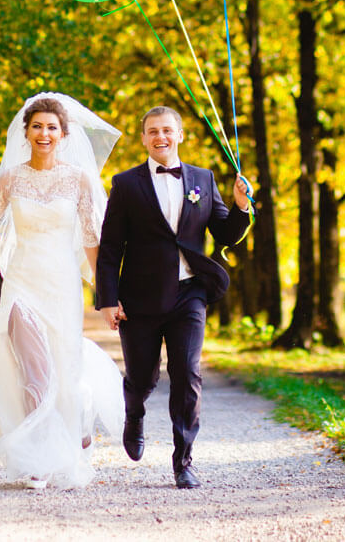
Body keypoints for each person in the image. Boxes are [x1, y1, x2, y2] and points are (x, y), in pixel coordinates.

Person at [0, 93, 124, 490]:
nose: (44, 133)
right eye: (37, 126)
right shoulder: (11, 177)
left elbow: (91, 243)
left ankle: (77, 424)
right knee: (33, 372)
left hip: (62, 286)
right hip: (21, 285)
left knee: (64, 371)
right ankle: (37, 460)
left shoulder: (79, 180)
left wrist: (106, 298)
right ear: (25, 132)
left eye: (51, 127)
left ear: (63, 135)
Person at [95, 106, 253, 489]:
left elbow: (227, 234)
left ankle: (184, 461)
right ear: (144, 138)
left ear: (180, 135)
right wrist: (107, 299)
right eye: (152, 131)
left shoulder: (203, 178)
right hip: (140, 299)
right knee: (142, 377)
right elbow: (111, 247)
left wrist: (242, 205)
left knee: (187, 374)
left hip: (189, 295)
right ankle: (133, 416)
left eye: (167, 130)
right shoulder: (125, 184)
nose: (160, 137)